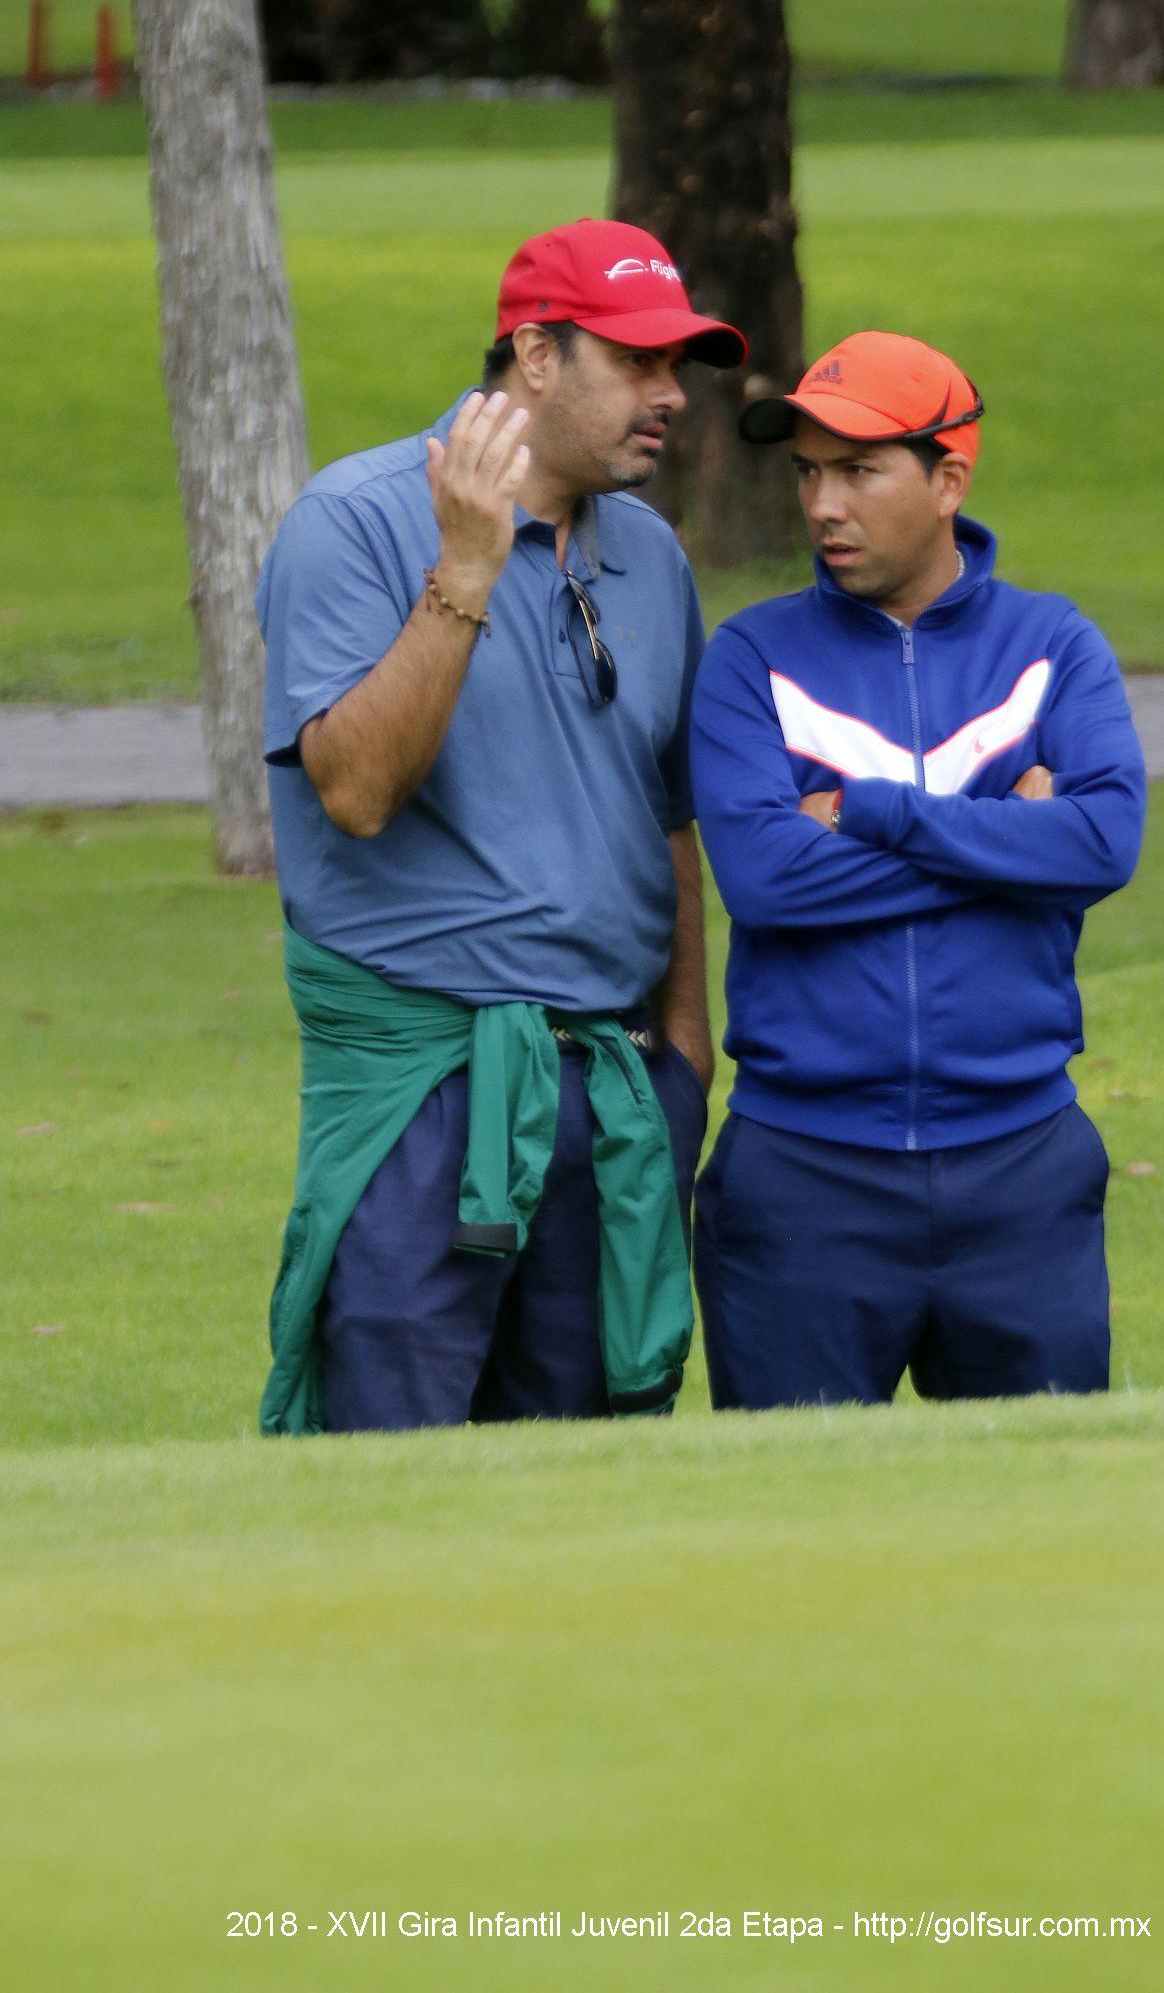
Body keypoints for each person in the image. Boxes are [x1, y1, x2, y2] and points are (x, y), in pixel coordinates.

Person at [255, 218, 746, 1435]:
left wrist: (686, 1059)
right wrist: (466, 571)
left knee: (584, 1474)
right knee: (395, 1466)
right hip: (425, 1090)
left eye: (675, 366)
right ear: (534, 354)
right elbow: (356, 792)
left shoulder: (650, 556)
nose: (669, 395)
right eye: (635, 362)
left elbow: (667, 816)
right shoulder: (357, 520)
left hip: (609, 1088)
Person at [689, 331, 1146, 1411]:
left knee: (1043, 1501)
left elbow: (1101, 843)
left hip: (1020, 1168)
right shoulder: (750, 658)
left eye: (858, 470)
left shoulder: (1055, 646)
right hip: (801, 1177)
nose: (822, 506)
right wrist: (1009, 842)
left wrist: (872, 815)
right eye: (808, 473)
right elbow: (764, 879)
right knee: (794, 1511)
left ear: (949, 479)